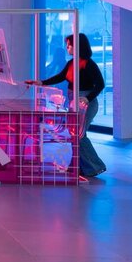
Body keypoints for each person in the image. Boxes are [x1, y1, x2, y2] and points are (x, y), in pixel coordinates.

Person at [26, 33, 107, 178]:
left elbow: (100, 84)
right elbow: (60, 76)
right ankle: (79, 166)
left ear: (78, 46)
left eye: (69, 44)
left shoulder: (88, 64)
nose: (67, 47)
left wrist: (88, 98)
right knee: (75, 135)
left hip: (85, 103)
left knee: (79, 135)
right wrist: (41, 83)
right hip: (74, 101)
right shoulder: (72, 63)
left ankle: (94, 166)